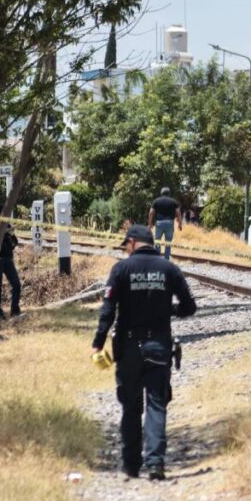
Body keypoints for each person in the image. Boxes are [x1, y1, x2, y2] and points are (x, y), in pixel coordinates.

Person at [92, 225, 197, 480]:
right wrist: (167, 310)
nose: (126, 251)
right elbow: (189, 307)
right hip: (159, 346)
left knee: (130, 406)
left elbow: (108, 309)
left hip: (128, 348)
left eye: (126, 246)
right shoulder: (169, 268)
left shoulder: (121, 269)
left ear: (131, 243)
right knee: (156, 405)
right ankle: (155, 463)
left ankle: (130, 465)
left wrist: (98, 341)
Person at [0, 223, 22, 320]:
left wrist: (11, 234)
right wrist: (3, 233)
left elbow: (15, 243)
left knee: (16, 284)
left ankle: (15, 310)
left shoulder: (7, 225)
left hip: (8, 259)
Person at [148, 187, 182, 260]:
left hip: (159, 223)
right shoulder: (174, 201)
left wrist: (150, 224)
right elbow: (178, 213)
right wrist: (180, 224)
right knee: (168, 242)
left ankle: (157, 257)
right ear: (169, 193)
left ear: (161, 193)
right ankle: (166, 258)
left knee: (157, 240)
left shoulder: (156, 201)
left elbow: (151, 212)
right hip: (169, 223)